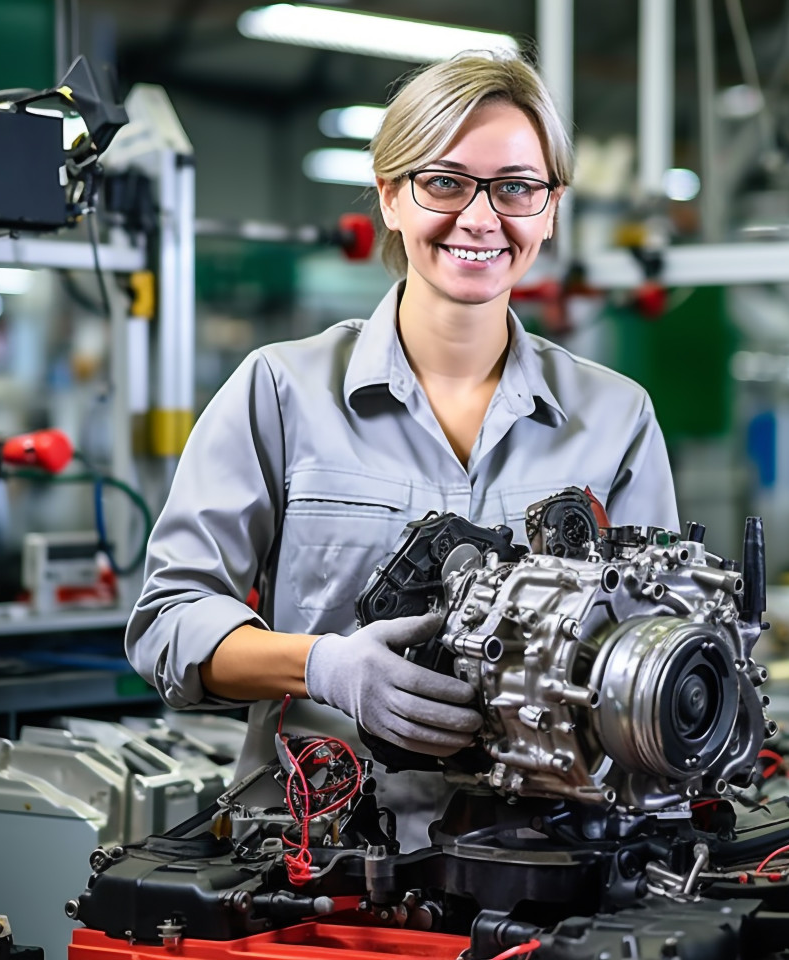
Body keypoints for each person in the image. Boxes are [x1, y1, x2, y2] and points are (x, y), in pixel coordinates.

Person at [126, 52, 679, 802]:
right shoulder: (281, 391)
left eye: (516, 188)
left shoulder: (616, 418)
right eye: (445, 182)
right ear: (390, 195)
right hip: (321, 854)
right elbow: (168, 623)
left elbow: (655, 639)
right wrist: (321, 666)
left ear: (550, 210)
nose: (480, 218)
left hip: (556, 857)